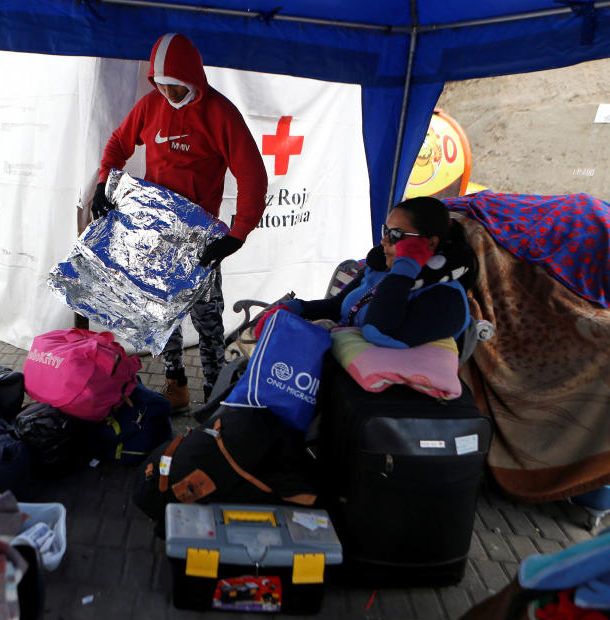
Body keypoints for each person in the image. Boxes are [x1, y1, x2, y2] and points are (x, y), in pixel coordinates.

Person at [91, 33, 267, 410]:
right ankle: (176, 384)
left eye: (177, 86)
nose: (169, 94)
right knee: (162, 314)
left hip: (200, 236)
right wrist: (104, 181)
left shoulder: (220, 113)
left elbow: (252, 173)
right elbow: (118, 144)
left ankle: (215, 393)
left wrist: (238, 234)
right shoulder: (150, 105)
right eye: (163, 85)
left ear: (193, 79)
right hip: (157, 231)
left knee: (208, 322)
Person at [256, 196, 478, 347]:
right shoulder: (379, 271)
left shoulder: (446, 297)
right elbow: (336, 307)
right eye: (386, 231)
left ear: (429, 244)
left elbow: (379, 330)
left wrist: (406, 265)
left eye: (397, 235)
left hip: (381, 407)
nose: (384, 241)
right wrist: (294, 308)